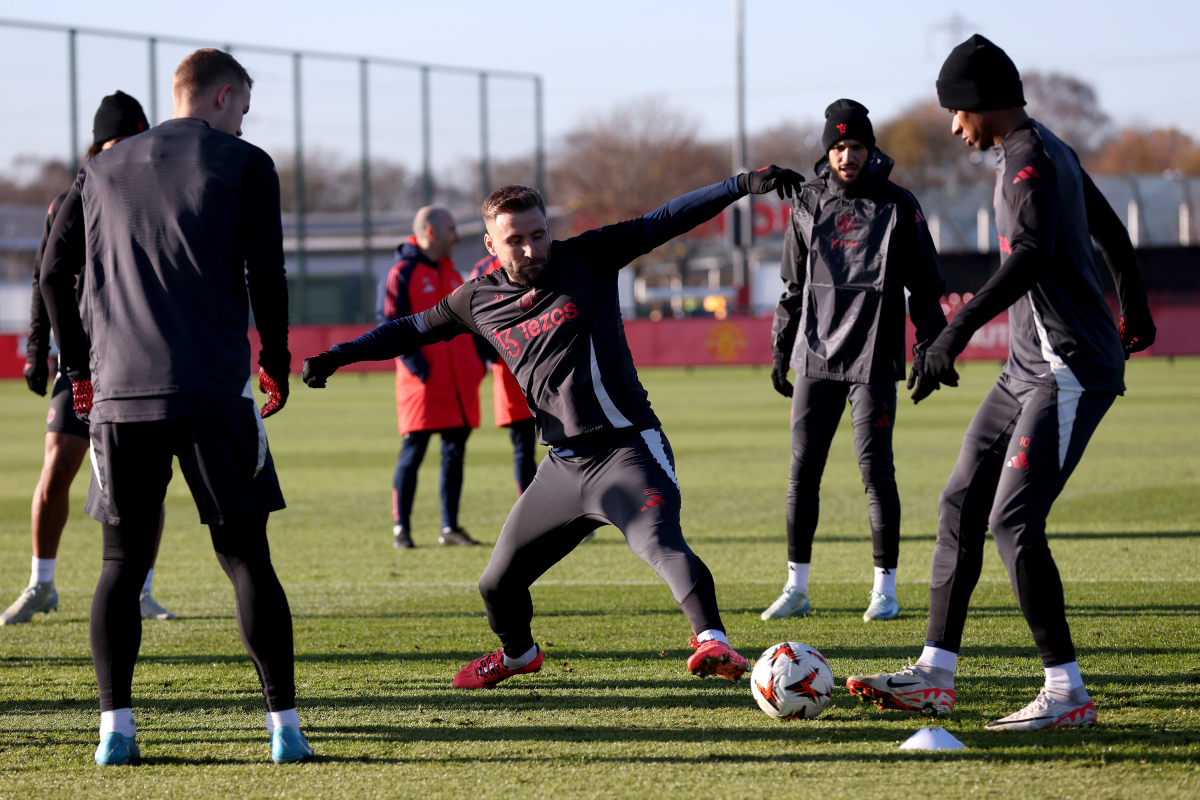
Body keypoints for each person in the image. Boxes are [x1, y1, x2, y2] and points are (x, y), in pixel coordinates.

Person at [304, 166, 805, 688]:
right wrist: (339, 355)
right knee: (496, 584)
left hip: (625, 449)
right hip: (562, 469)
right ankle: (519, 656)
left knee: (660, 544)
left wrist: (740, 184)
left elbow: (665, 220)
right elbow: (410, 328)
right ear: (491, 244)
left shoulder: (588, 257)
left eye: (537, 235)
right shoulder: (475, 300)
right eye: (514, 240)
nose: (529, 249)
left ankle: (712, 642)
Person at [847, 35, 1155, 731]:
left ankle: (1066, 692)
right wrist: (1133, 299)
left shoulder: (1034, 159)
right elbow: (1110, 227)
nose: (955, 127)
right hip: (1026, 368)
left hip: (1068, 366)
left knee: (1013, 521)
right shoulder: (1047, 147)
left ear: (983, 101)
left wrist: (953, 331)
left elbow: (1033, 257)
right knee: (959, 500)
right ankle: (934, 674)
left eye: (957, 111)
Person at [40, 49, 312, 765]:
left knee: (119, 566)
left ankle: (115, 732)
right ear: (224, 96)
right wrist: (275, 360)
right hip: (213, 389)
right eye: (244, 108)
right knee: (247, 559)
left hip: (120, 397)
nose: (244, 121)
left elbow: (52, 269)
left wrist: (76, 368)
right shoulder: (244, 162)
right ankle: (283, 729)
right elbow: (268, 270)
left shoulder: (99, 168)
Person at [764, 99, 947, 624]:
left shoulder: (898, 203)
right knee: (802, 474)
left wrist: (927, 345)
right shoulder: (805, 203)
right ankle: (796, 587)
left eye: (857, 146)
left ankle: (884, 592)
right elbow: (793, 286)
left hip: (872, 358)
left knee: (876, 474)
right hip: (815, 358)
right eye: (839, 146)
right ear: (828, 151)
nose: (847, 156)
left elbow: (926, 286)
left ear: (871, 150)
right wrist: (781, 347)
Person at [6, 92, 176, 626]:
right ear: (97, 148)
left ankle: (143, 589)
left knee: (145, 478)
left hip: (140, 361)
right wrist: (39, 348)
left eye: (134, 141)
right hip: (81, 362)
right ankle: (41, 584)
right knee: (57, 465)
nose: (122, 151)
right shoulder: (70, 202)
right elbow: (44, 277)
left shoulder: (161, 198)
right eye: (113, 143)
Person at [378, 208, 485, 549]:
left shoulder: (454, 274)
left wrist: (478, 364)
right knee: (413, 452)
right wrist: (419, 367)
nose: (456, 237)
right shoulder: (402, 272)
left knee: (455, 455)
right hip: (423, 384)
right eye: (451, 230)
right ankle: (401, 529)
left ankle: (449, 527)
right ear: (430, 231)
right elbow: (389, 325)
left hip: (459, 383)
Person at [470, 254, 538, 495]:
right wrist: (490, 359)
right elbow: (474, 320)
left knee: (567, 443)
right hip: (511, 373)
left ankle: (573, 516)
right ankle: (534, 517)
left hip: (548, 364)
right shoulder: (484, 269)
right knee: (524, 447)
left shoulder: (542, 256)